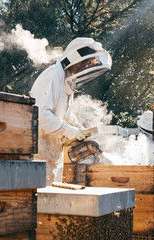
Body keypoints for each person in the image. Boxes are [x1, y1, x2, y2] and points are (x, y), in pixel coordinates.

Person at [30, 38, 112, 185]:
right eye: (83, 62)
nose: (84, 67)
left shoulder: (67, 81)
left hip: (53, 155)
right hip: (39, 154)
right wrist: (69, 130)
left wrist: (79, 128)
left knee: (52, 201)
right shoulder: (52, 75)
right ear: (74, 57)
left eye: (87, 64)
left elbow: (65, 115)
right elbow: (41, 116)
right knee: (40, 201)